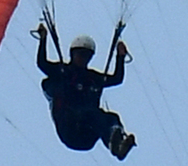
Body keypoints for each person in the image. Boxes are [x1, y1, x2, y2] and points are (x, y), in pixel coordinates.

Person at [34, 24, 135, 158]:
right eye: (80, 54)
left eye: (87, 56)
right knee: (90, 112)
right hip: (68, 127)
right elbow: (42, 63)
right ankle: (113, 140)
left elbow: (117, 78)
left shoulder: (92, 78)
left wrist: (120, 56)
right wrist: (43, 39)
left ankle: (117, 145)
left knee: (110, 117)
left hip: (86, 136)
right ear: (72, 54)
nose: (83, 58)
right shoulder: (62, 71)